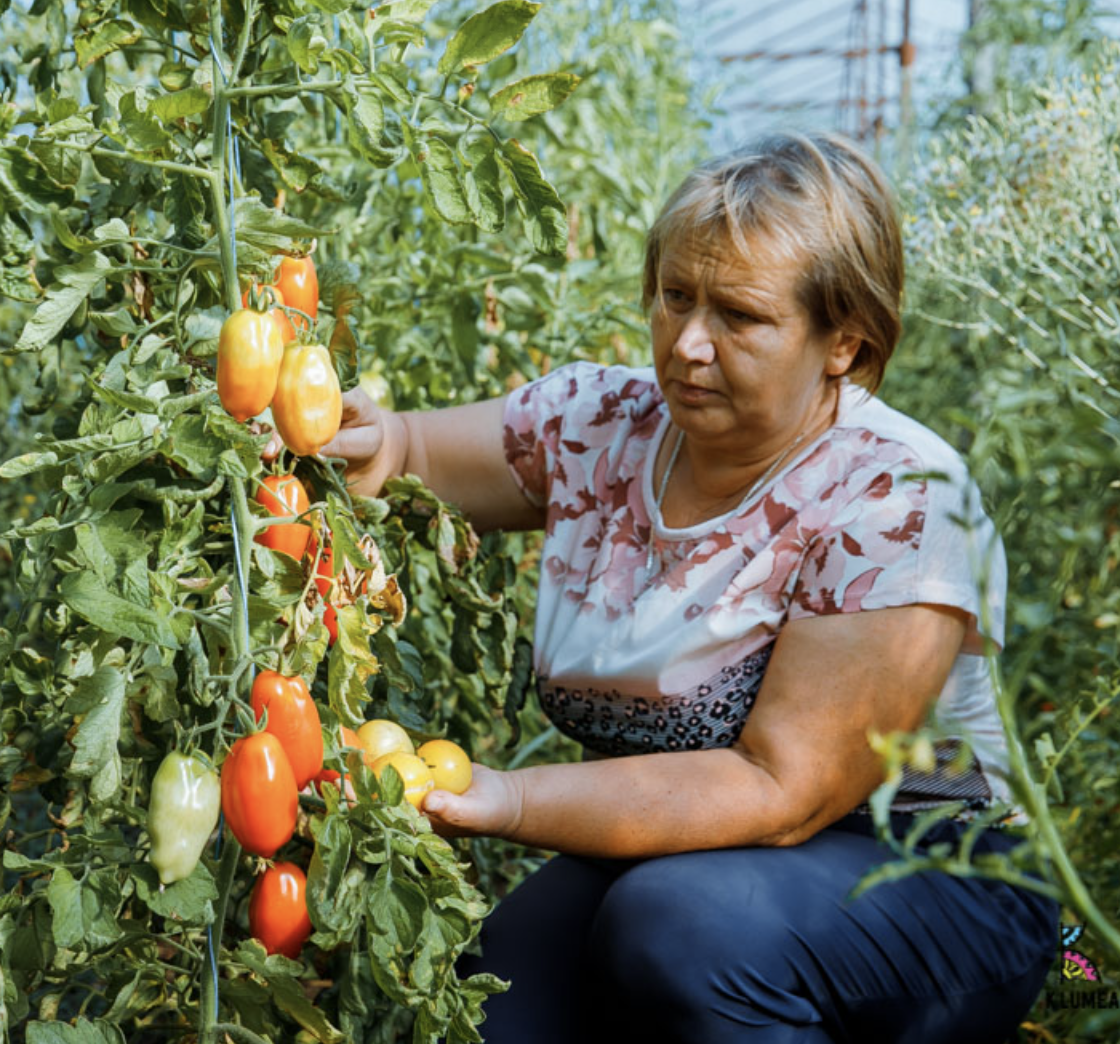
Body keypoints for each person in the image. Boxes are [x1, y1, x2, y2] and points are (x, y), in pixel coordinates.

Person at [276, 133, 1061, 1042]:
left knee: (682, 933)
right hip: (679, 857)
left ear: (843, 341)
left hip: (926, 872)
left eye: (739, 315)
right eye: (675, 297)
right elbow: (409, 453)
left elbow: (783, 791)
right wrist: (352, 439)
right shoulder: (603, 425)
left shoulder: (894, 496)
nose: (688, 343)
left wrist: (511, 799)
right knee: (485, 1012)